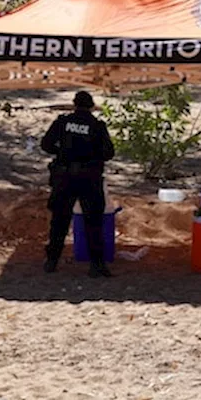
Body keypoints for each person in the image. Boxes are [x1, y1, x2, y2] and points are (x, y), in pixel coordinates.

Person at [41, 91, 115, 277]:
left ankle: (52, 261)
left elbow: (46, 145)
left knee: (59, 221)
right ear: (91, 106)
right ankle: (96, 265)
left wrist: (64, 152)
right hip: (89, 178)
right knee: (93, 221)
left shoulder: (63, 122)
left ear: (74, 104)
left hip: (64, 177)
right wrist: (91, 156)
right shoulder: (97, 126)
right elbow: (108, 153)